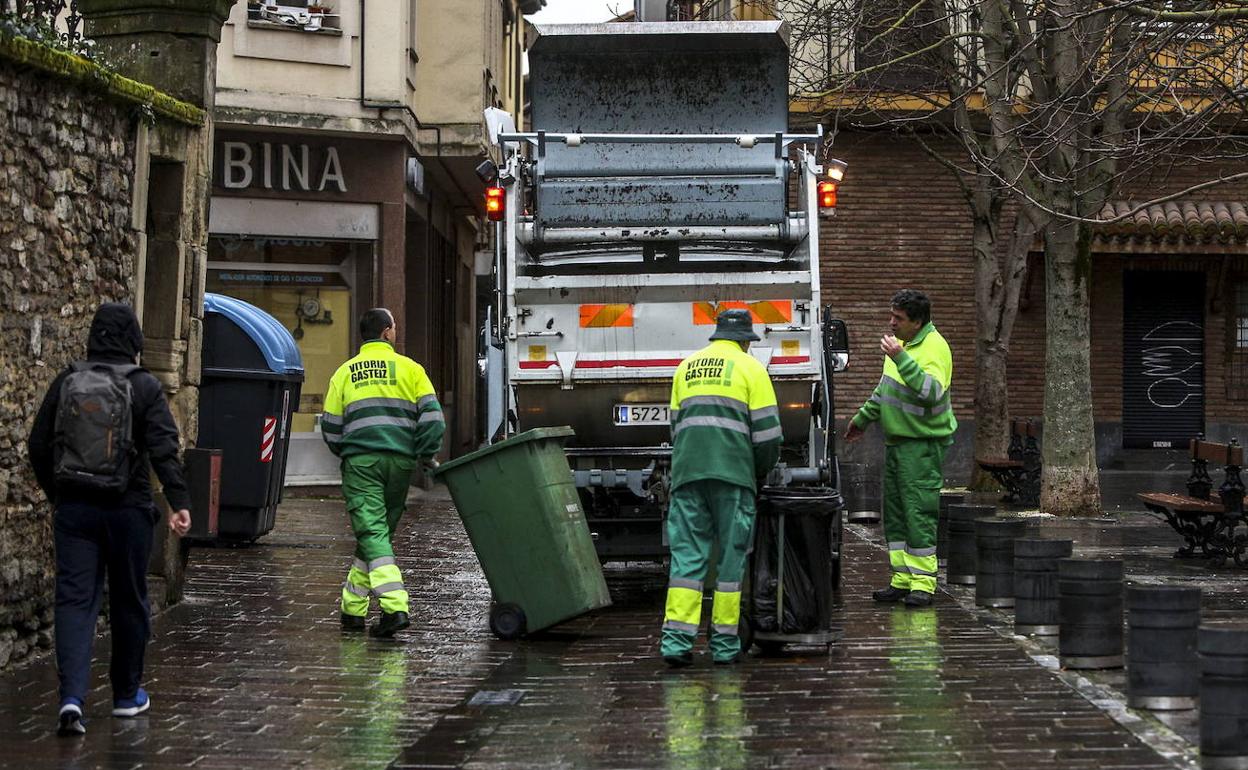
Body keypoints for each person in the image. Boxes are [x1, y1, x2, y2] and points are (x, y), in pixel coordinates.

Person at [27, 303, 192, 737]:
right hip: (128, 510)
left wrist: (58, 495)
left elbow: (38, 444)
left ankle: (71, 698)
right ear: (134, 340)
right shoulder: (144, 387)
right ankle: (126, 695)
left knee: (75, 601)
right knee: (128, 599)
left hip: (75, 510)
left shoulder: (68, 381)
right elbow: (163, 448)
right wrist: (178, 502)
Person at [661, 308, 782, 667]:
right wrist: (757, 473)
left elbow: (674, 427)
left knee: (686, 560)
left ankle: (676, 643)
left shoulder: (687, 367)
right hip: (733, 478)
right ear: (746, 341)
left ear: (716, 336)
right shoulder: (751, 370)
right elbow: (768, 437)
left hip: (687, 475)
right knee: (730, 562)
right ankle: (724, 647)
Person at [321, 308, 444, 638]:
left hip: (361, 464)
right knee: (376, 535)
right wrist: (425, 455)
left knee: (373, 534)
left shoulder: (344, 374)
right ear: (388, 332)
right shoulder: (411, 369)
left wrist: (347, 452)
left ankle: (395, 607)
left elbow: (331, 427)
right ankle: (352, 608)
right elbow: (433, 420)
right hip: (401, 465)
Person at [845, 289, 956, 608]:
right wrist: (863, 419)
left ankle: (923, 583)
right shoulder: (902, 346)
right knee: (895, 515)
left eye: (899, 318)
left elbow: (931, 392)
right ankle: (902, 579)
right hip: (899, 443)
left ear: (917, 322)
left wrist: (901, 358)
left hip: (921, 445)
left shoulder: (933, 347)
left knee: (918, 513)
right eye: (892, 316)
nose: (891, 323)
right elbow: (885, 390)